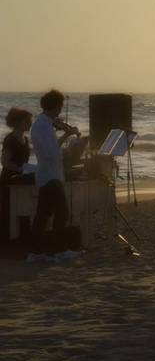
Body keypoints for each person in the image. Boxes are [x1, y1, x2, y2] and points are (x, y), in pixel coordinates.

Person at [30, 90, 82, 248]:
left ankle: (38, 249)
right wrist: (67, 149)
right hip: (50, 175)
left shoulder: (46, 124)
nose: (61, 110)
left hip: (51, 174)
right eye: (60, 106)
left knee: (44, 214)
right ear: (56, 106)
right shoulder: (42, 126)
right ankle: (56, 247)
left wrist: (65, 136)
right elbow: (50, 154)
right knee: (61, 212)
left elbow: (52, 148)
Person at [2, 108, 34, 184]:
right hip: (9, 179)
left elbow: (22, 161)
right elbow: (5, 162)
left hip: (20, 178)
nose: (30, 124)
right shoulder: (10, 139)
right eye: (27, 121)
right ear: (18, 122)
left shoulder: (25, 139)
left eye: (30, 121)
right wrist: (22, 170)